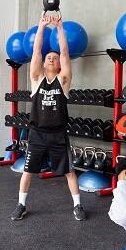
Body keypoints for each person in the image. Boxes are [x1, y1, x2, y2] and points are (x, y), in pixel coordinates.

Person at [11, 14, 84, 221]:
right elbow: (35, 51)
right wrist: (42, 27)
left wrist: (60, 28)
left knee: (69, 171)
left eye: (55, 58)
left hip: (58, 134)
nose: (51, 58)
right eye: (48, 57)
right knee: (28, 171)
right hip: (38, 134)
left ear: (60, 64)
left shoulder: (63, 81)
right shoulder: (36, 80)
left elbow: (65, 52)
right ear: (43, 63)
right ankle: (21, 205)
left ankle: (78, 206)